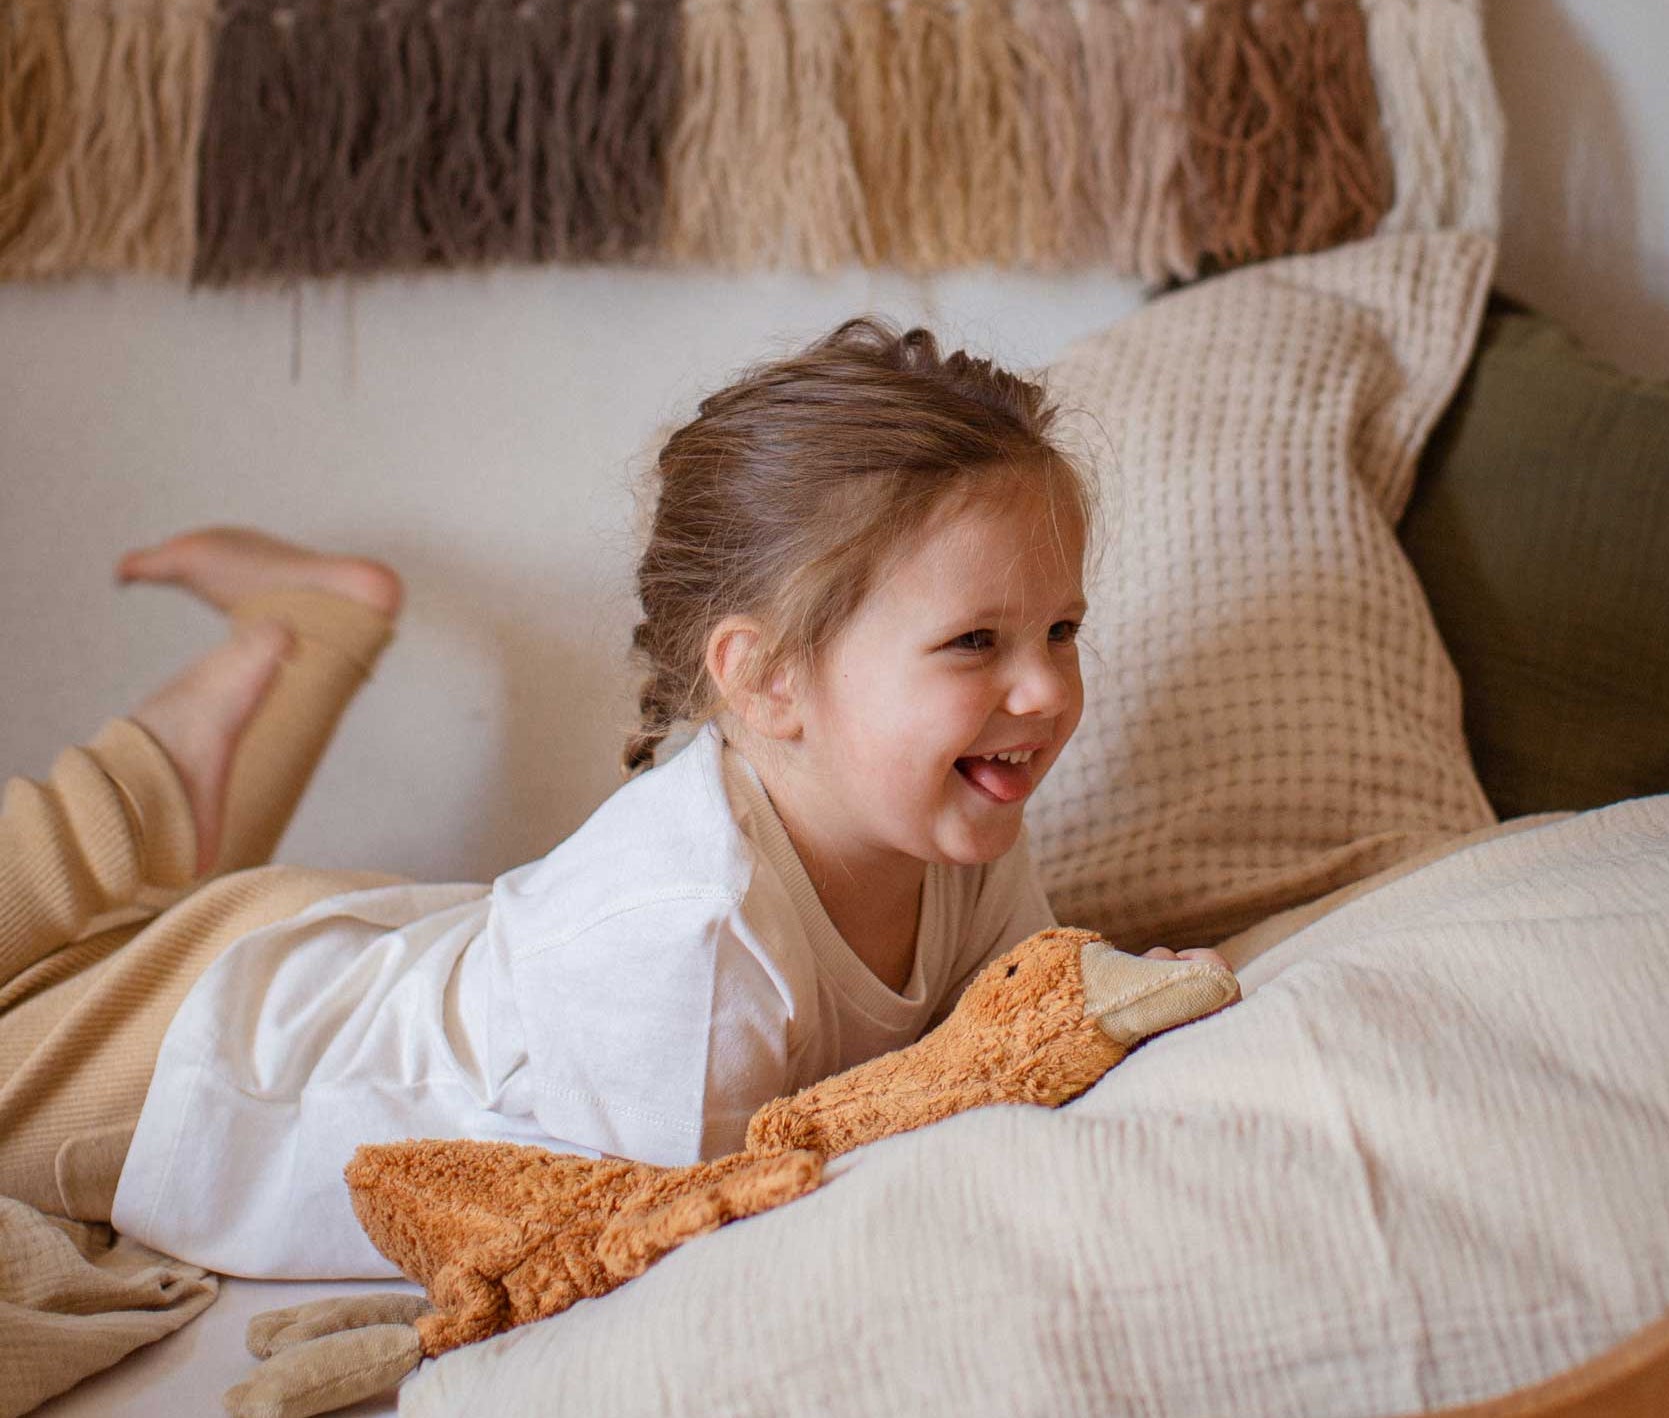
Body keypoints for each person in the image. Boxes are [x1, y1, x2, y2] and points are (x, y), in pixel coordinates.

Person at [0, 317, 1229, 1278]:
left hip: (331, 959)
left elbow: (1007, 1038)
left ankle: (306, 638)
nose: (1045, 688)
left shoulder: (957, 825)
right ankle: (302, 642)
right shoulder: (690, 932)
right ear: (770, 680)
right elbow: (668, 1231)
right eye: (974, 642)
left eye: (1061, 628)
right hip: (198, 1066)